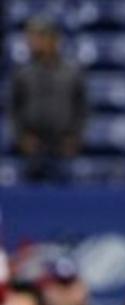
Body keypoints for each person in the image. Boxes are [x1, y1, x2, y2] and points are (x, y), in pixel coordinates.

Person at [6, 16, 86, 183]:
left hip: (64, 147)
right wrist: (21, 137)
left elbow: (82, 109)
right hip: (32, 148)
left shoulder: (72, 73)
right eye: (31, 37)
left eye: (38, 37)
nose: (33, 42)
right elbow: (13, 110)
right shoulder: (22, 74)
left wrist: (76, 137)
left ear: (53, 39)